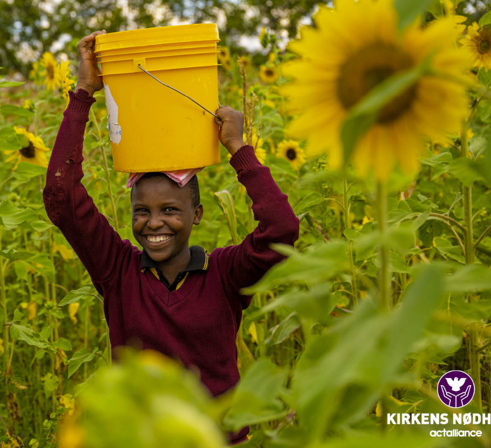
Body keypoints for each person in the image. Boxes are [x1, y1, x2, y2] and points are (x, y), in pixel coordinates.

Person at [43, 30, 300, 444]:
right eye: (141, 211)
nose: (154, 223)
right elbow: (60, 197)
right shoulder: (117, 271)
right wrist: (84, 93)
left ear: (196, 214)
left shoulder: (224, 274)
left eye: (170, 211)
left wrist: (237, 147)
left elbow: (282, 229)